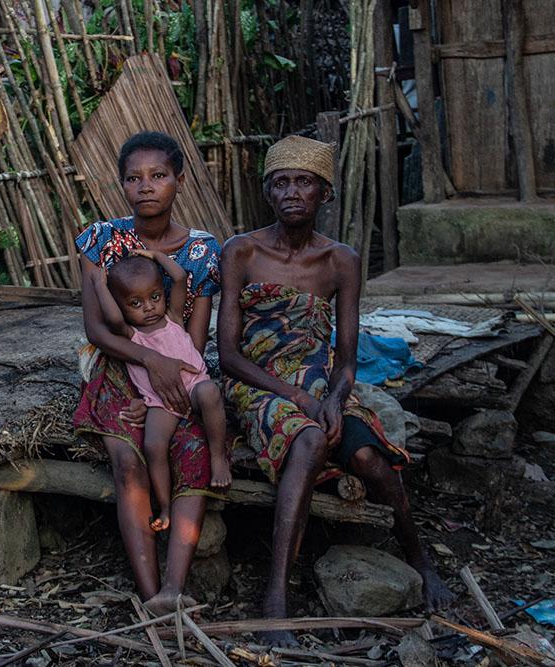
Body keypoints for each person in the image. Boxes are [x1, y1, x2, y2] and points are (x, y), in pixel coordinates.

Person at [216, 135, 455, 646]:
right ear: (267, 191)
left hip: (321, 383)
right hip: (258, 386)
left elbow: (346, 359)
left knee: (368, 457)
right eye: (280, 183)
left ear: (325, 193)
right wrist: (299, 399)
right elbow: (229, 356)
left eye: (304, 182)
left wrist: (333, 397)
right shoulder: (241, 251)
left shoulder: (341, 260)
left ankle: (420, 559)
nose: (291, 193)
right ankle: (276, 598)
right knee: (307, 439)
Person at [74, 131, 222, 614]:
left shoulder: (200, 252)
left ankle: (174, 590)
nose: (146, 186)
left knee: (194, 449)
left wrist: (168, 374)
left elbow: (193, 339)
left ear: (179, 180)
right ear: (121, 185)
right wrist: (147, 363)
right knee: (127, 461)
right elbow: (98, 331)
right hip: (118, 366)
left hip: (179, 367)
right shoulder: (101, 240)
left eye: (158, 175)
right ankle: (148, 593)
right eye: (134, 178)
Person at [89, 249, 231, 532]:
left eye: (154, 297)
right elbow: (113, 319)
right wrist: (98, 284)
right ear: (123, 307)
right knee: (154, 446)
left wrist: (154, 255)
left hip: (193, 387)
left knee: (211, 393)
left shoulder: (174, 317)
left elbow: (178, 276)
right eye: (135, 303)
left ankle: (218, 459)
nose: (149, 307)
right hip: (160, 402)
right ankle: (165, 507)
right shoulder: (132, 336)